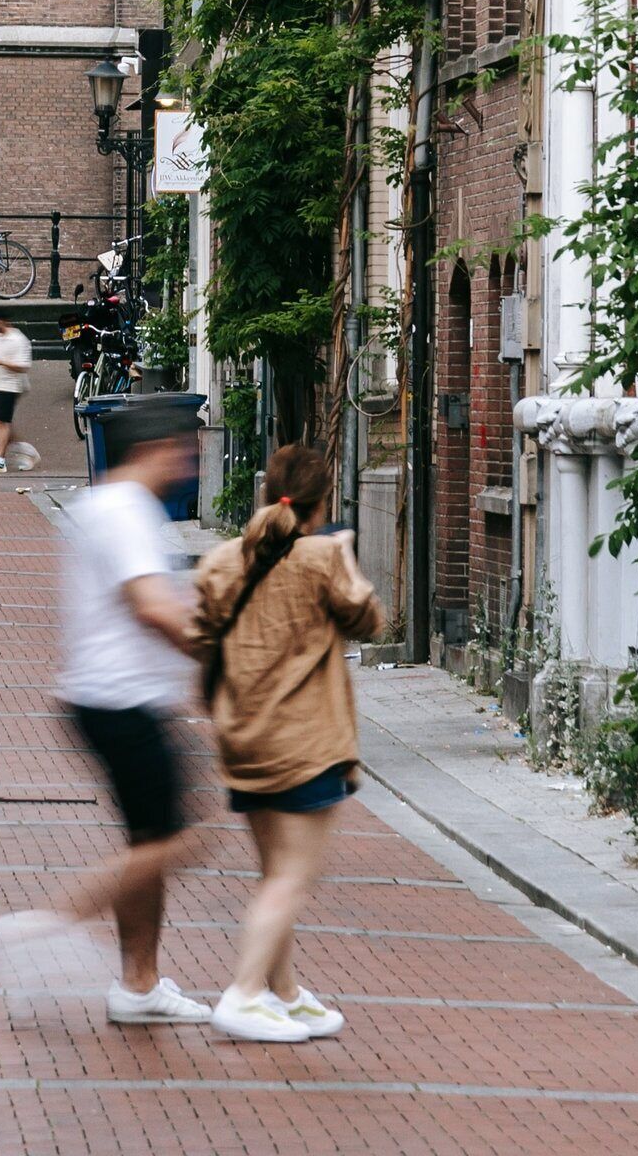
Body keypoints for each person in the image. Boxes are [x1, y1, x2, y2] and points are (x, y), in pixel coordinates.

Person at [0, 415, 215, 1025]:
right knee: (183, 840)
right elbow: (152, 606)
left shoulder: (102, 504)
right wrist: (223, 655)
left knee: (151, 840)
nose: (187, 468)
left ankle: (139, 985)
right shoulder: (129, 511)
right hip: (121, 700)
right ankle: (45, 927)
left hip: (103, 695)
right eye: (183, 455)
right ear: (155, 449)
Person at [186, 440, 383, 1043]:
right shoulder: (322, 558)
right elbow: (369, 621)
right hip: (305, 742)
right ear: (323, 505)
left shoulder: (222, 560)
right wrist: (344, 558)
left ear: (268, 492)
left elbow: (197, 638)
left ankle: (285, 993)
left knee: (275, 872)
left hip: (244, 738)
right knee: (293, 877)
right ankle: (244, 993)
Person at [0, 315, 35, 471]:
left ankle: (0, 460)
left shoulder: (18, 340)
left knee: (2, 423)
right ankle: (26, 451)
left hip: (10, 386)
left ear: (4, 321)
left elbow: (23, 366)